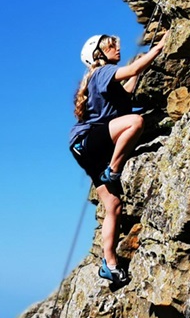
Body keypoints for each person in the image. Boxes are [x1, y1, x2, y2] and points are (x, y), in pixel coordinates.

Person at [68, 31, 169, 287]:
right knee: (136, 121)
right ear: (99, 54)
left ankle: (109, 265)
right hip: (91, 141)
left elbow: (129, 84)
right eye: (112, 46)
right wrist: (159, 48)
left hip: (85, 147)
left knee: (113, 206)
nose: (117, 49)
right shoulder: (101, 73)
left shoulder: (103, 81)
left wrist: (138, 68)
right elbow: (132, 68)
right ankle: (113, 169)